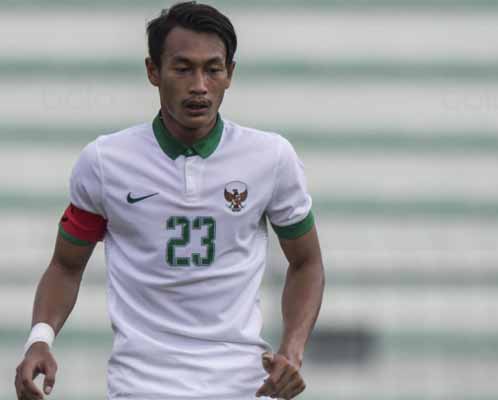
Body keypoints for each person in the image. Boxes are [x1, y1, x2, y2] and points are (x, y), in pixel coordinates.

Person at [14, 2, 325, 400]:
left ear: (230, 74)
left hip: (244, 386)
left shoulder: (271, 158)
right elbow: (66, 265)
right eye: (183, 68)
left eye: (213, 69)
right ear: (153, 71)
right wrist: (40, 339)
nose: (199, 85)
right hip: (141, 386)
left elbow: (307, 262)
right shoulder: (106, 162)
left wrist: (292, 351)